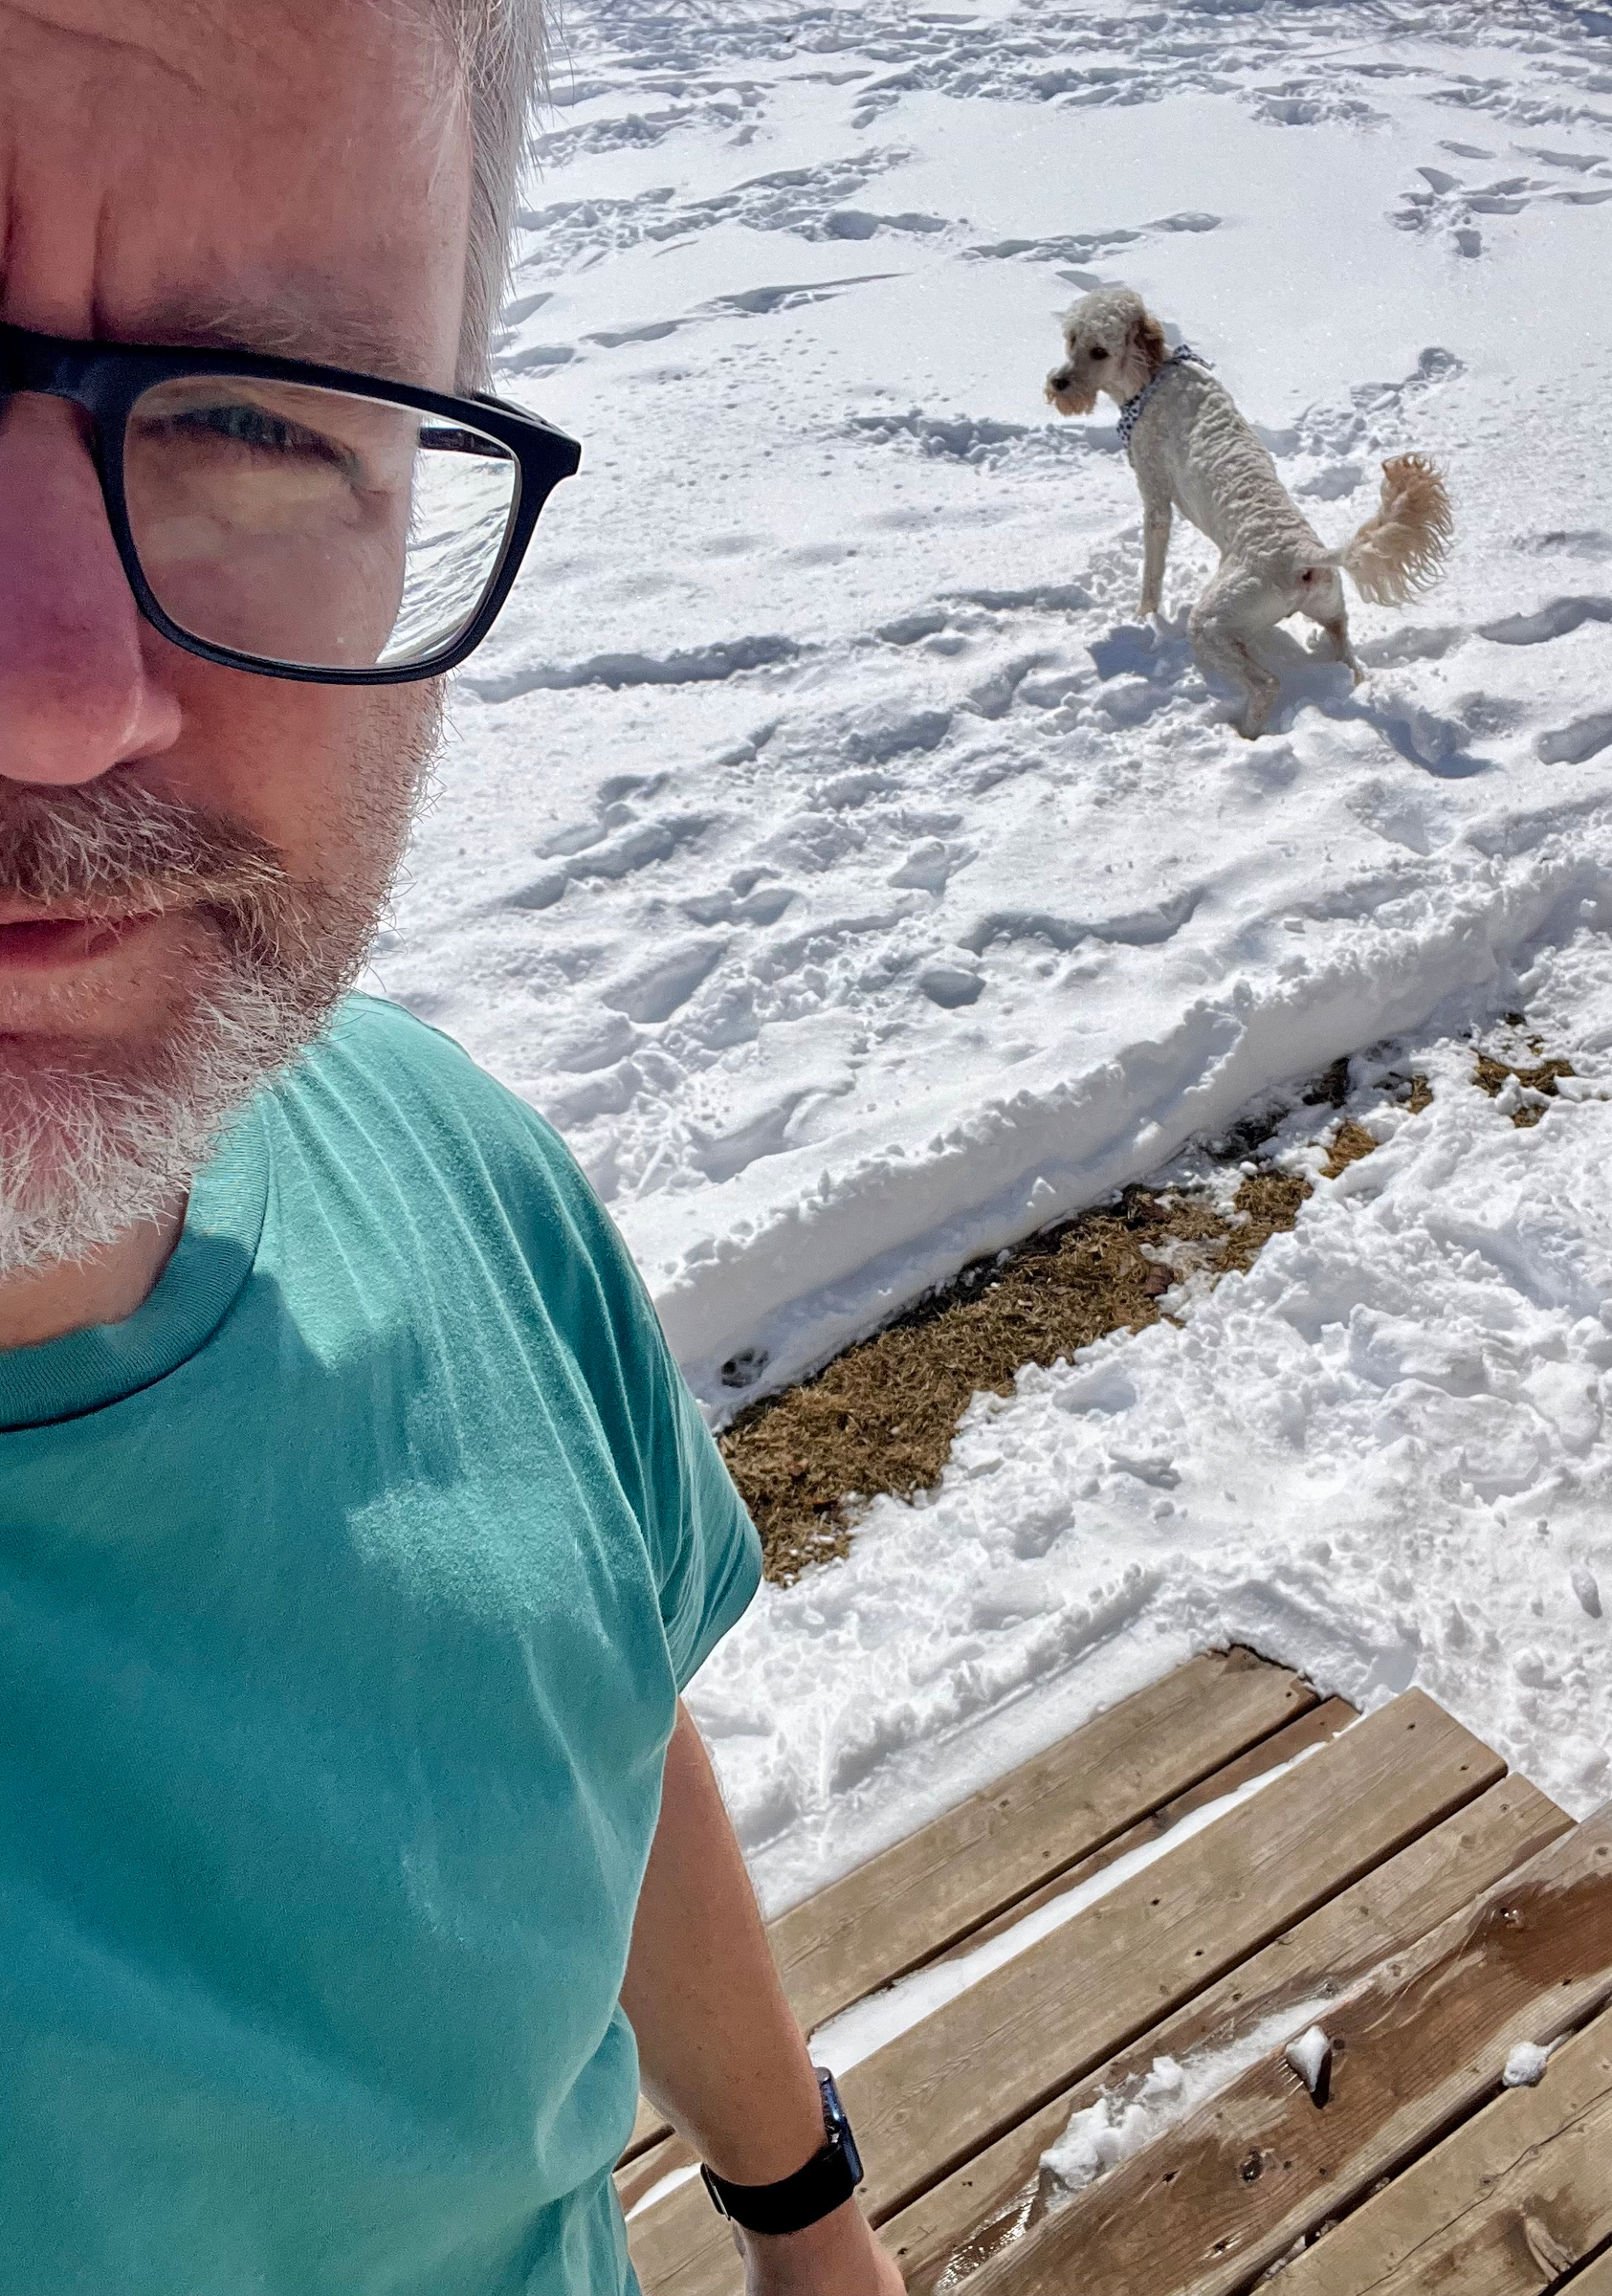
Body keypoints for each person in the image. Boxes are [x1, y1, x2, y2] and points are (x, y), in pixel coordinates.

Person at [0, 6, 906, 2291]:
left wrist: (803, 2213)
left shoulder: (441, 1162)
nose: (57, 687)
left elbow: (595, 1745)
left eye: (244, 416)